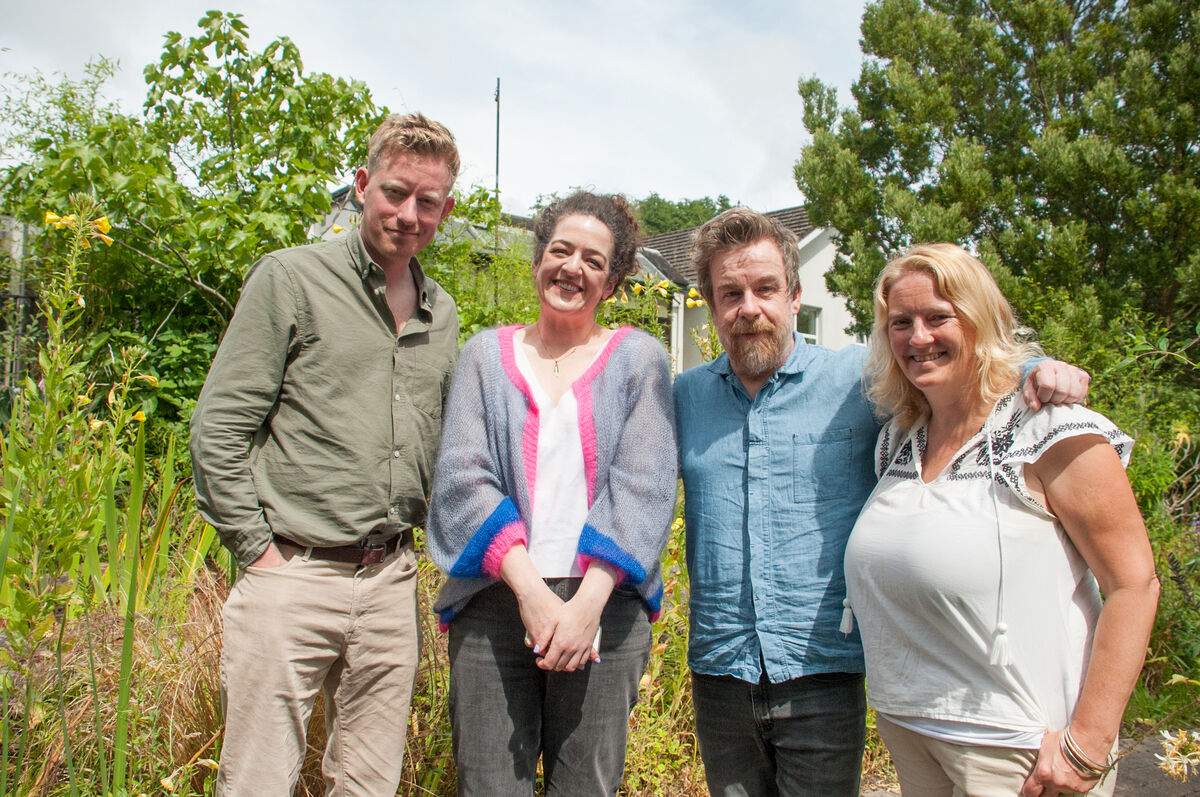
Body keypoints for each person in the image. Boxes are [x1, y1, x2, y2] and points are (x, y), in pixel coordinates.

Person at [673, 209, 1092, 797]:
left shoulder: (858, 381)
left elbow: (953, 365)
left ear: (794, 297)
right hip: (720, 670)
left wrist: (1037, 369)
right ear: (712, 305)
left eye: (766, 289)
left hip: (823, 671)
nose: (749, 307)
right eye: (730, 293)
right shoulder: (684, 397)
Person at [190, 112, 459, 795]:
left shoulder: (444, 312)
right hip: (293, 570)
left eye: (427, 201)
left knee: (369, 783)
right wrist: (259, 550)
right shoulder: (291, 280)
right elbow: (219, 427)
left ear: (446, 210)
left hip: (390, 582)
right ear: (363, 185)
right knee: (257, 779)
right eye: (395, 192)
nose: (408, 213)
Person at [843, 243, 1159, 797]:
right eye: (901, 323)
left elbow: (1134, 584)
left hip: (1018, 750)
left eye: (939, 317)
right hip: (910, 731)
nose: (918, 338)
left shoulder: (1051, 430)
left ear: (980, 318)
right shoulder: (899, 438)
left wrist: (1088, 745)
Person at [426, 191, 677, 796]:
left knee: (585, 788)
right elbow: (463, 478)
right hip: (496, 603)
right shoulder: (486, 354)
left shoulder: (639, 359)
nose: (573, 268)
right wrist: (532, 593)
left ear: (613, 282)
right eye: (561, 251)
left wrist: (585, 605)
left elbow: (644, 488)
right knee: (489, 785)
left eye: (594, 260)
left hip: (605, 607)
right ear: (538, 259)